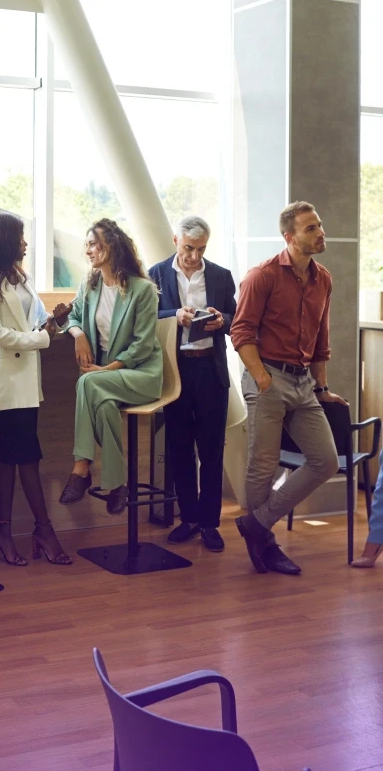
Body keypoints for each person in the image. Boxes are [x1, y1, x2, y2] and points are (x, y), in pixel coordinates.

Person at [231, 200, 342, 576]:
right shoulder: (261, 276)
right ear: (289, 237)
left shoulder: (323, 278)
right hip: (268, 377)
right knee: (262, 466)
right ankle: (266, 544)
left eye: (319, 224)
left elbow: (321, 338)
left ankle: (257, 523)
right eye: (311, 228)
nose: (320, 232)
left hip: (303, 382)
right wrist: (262, 377)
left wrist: (322, 388)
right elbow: (241, 331)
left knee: (325, 461)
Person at [0, 212, 72, 566]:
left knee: (11, 451)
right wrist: (39, 338)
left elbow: (35, 323)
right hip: (4, 378)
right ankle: (43, 529)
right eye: (20, 237)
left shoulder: (22, 278)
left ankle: (3, 529)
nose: (26, 244)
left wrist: (54, 323)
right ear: (3, 241)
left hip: (26, 375)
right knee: (26, 452)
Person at [58, 219, 163, 514]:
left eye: (94, 243)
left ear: (112, 246)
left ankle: (81, 467)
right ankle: (118, 485)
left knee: (87, 383)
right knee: (102, 405)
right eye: (87, 244)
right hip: (107, 380)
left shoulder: (142, 290)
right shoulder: (89, 285)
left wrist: (106, 371)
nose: (88, 250)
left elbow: (142, 346)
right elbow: (73, 317)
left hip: (140, 374)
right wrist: (78, 335)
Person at [148, 216, 236, 553]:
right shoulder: (155, 274)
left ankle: (211, 523)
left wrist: (220, 320)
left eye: (200, 250)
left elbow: (236, 318)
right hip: (176, 369)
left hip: (211, 371)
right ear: (175, 241)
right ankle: (189, 519)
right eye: (188, 248)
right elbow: (145, 317)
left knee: (212, 450)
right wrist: (175, 315)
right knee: (180, 447)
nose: (194, 256)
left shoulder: (220, 276)